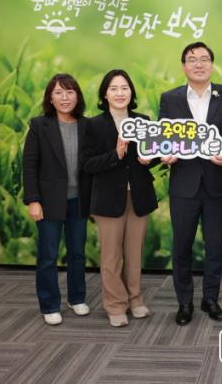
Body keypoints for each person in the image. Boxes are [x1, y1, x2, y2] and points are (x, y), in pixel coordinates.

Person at [159, 42, 222, 326]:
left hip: (217, 183)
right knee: (181, 246)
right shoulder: (169, 98)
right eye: (192, 59)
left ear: (212, 65)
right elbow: (163, 136)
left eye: (205, 59)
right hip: (184, 184)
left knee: (215, 246)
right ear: (184, 66)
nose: (199, 64)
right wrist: (165, 154)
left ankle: (210, 299)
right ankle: (184, 302)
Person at [83, 69, 158, 327]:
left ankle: (135, 300)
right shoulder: (93, 125)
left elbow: (152, 156)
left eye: (124, 88)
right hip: (108, 199)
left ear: (131, 92)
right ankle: (115, 305)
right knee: (111, 257)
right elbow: (87, 163)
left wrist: (151, 159)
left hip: (138, 197)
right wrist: (115, 154)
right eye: (114, 88)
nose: (120, 93)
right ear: (105, 94)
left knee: (134, 255)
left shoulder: (143, 121)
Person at [22, 73, 91, 325]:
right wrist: (33, 200)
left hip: (79, 201)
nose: (65, 97)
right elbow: (29, 165)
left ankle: (77, 298)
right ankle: (50, 304)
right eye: (59, 92)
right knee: (48, 256)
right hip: (49, 201)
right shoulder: (39, 126)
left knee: (77, 253)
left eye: (70, 92)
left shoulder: (87, 125)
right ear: (50, 98)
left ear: (77, 97)